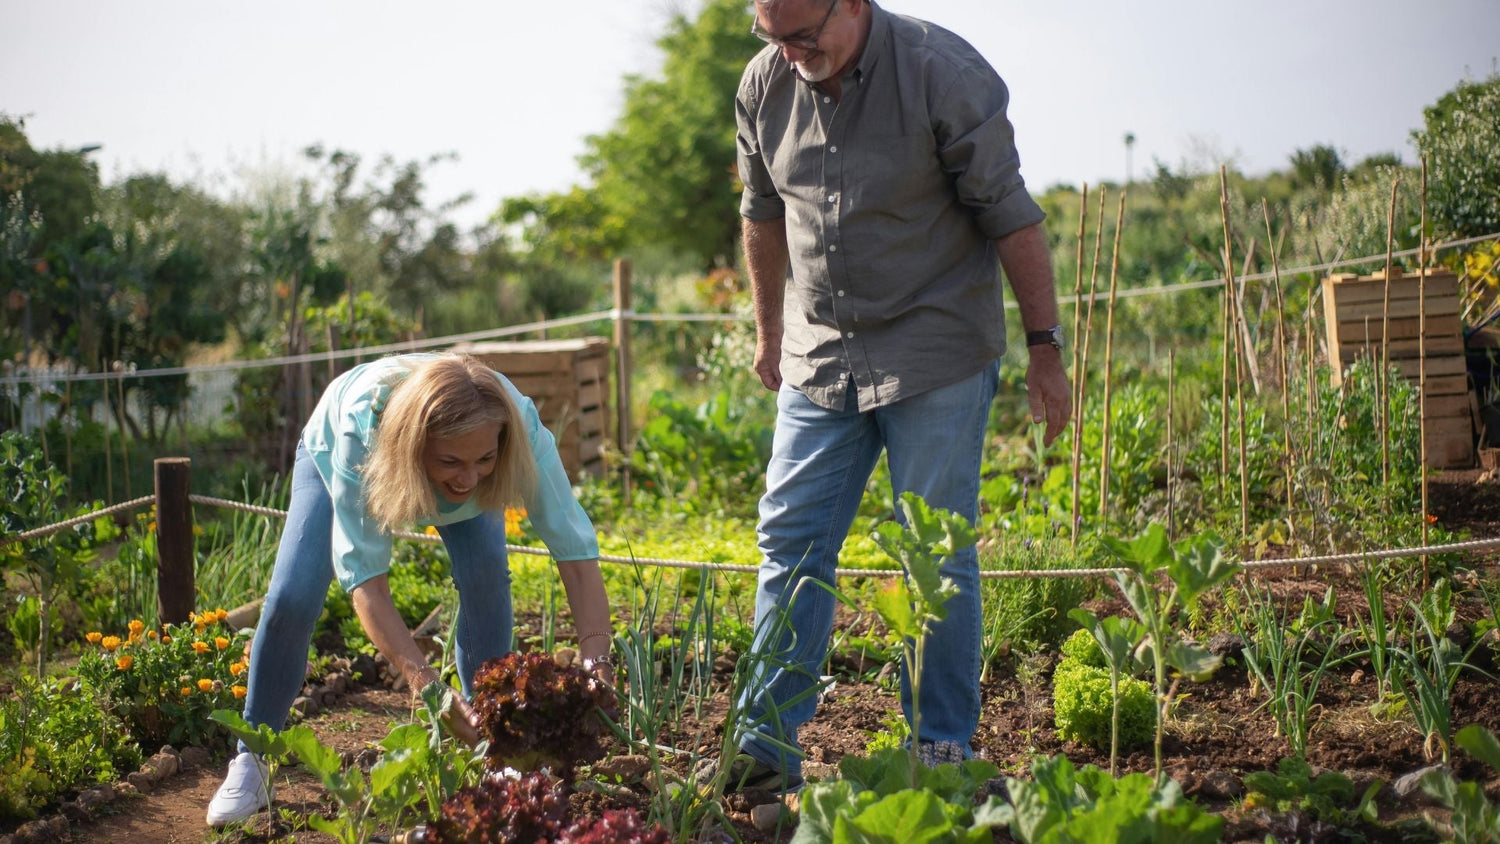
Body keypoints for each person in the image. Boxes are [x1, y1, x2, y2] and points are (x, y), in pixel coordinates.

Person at [724, 0, 1072, 791]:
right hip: (821, 351)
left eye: (804, 35)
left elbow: (1010, 217)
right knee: (790, 540)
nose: (787, 54)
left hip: (935, 349)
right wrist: (769, 333)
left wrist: (1045, 352)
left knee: (935, 556)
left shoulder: (940, 72)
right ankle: (762, 751)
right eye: (771, 36)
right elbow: (762, 212)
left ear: (852, 4)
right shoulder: (762, 85)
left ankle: (941, 750)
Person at [206, 352, 614, 826]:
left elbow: (577, 557)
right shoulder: (363, 435)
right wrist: (429, 689)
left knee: (486, 580)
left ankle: (492, 746)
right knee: (292, 599)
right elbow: (367, 583)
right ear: (418, 445)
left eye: (485, 458)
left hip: (448, 454)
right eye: (451, 461)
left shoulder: (515, 427)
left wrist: (596, 661)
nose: (468, 478)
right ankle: (252, 756)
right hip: (344, 450)